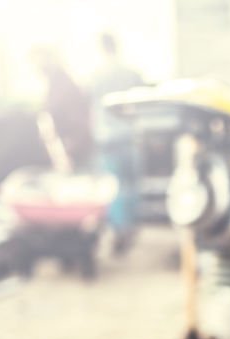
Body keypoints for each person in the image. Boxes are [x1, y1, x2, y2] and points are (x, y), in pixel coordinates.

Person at [91, 33, 143, 253]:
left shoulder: (96, 76)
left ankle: (119, 228)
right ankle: (130, 226)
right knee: (132, 184)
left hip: (107, 139)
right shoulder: (131, 74)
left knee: (114, 186)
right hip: (130, 136)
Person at [31, 46, 92, 170]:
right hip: (67, 151)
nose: (36, 67)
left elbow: (79, 122)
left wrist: (66, 152)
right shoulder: (53, 85)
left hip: (75, 154)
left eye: (38, 62)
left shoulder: (64, 85)